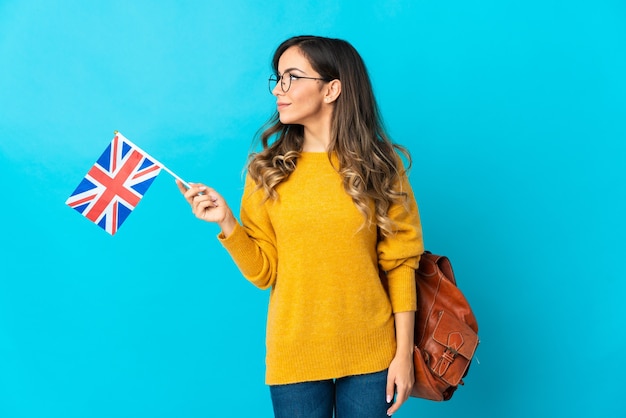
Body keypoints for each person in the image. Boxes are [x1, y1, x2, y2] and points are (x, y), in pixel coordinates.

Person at [177, 35, 424, 418]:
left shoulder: (380, 165)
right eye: (277, 79)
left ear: (332, 89)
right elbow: (264, 272)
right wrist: (227, 222)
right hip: (294, 354)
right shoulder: (266, 171)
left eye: (292, 77)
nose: (279, 89)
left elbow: (401, 263)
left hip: (373, 353)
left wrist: (404, 356)